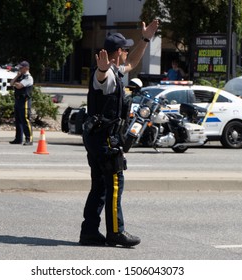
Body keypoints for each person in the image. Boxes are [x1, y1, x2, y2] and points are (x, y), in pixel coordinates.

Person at [79, 20, 159, 248]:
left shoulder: (116, 70)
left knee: (100, 187)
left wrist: (145, 39)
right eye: (124, 49)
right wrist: (103, 68)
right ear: (116, 53)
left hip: (98, 138)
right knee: (115, 184)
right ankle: (116, 232)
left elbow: (132, 63)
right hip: (104, 139)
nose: (127, 53)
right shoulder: (106, 74)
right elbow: (101, 78)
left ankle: (89, 233)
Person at [9, 61, 34, 146]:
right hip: (18, 100)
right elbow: (11, 83)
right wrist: (17, 76)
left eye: (21, 67)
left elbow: (19, 86)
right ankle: (18, 139)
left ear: (26, 68)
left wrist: (16, 83)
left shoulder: (28, 78)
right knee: (18, 120)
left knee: (25, 120)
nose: (20, 68)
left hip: (25, 101)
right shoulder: (20, 76)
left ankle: (29, 139)